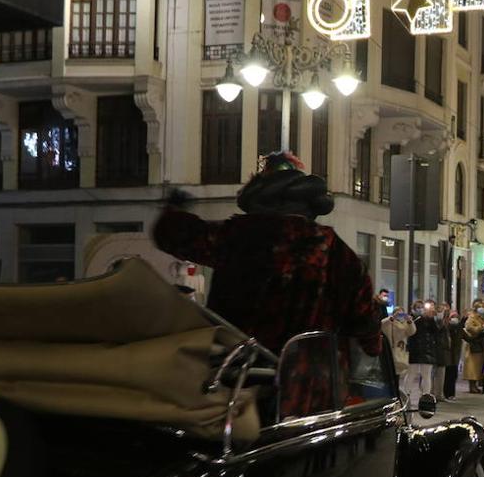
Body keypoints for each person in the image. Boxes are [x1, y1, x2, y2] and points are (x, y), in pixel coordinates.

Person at [151, 151, 381, 357]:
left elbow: (175, 235)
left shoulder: (237, 236)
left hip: (238, 374)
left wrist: (174, 209)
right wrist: (372, 348)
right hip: (306, 385)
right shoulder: (332, 251)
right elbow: (363, 318)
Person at [405, 301, 439, 404]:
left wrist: (431, 318)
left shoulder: (428, 319)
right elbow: (411, 332)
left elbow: (435, 331)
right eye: (418, 307)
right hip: (414, 349)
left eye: (422, 307)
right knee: (411, 373)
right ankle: (406, 396)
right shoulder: (411, 318)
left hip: (427, 350)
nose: (420, 309)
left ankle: (425, 396)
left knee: (426, 375)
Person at [382, 306, 415, 383]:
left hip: (400, 350)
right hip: (390, 350)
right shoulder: (389, 322)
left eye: (401, 313)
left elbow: (412, 331)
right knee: (389, 375)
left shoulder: (405, 324)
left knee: (398, 376)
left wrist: (409, 321)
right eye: (398, 313)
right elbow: (382, 324)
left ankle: (396, 392)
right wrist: (393, 317)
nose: (400, 315)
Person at [431, 303, 454, 403]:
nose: (442, 312)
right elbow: (437, 330)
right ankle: (431, 394)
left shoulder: (446, 321)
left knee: (441, 375)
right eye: (440, 310)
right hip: (434, 350)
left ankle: (439, 395)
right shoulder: (433, 320)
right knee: (432, 375)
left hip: (443, 351)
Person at [462, 310, 484, 394]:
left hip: (479, 345)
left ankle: (475, 385)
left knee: (477, 367)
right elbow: (469, 328)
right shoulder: (471, 319)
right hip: (472, 345)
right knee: (472, 367)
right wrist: (480, 328)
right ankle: (472, 386)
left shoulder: (480, 319)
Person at [442, 306, 463, 400]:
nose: (455, 318)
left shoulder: (459, 328)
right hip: (447, 356)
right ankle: (446, 393)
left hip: (455, 356)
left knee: (454, 375)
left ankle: (451, 394)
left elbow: (466, 336)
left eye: (456, 316)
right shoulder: (447, 327)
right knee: (447, 375)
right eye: (453, 316)